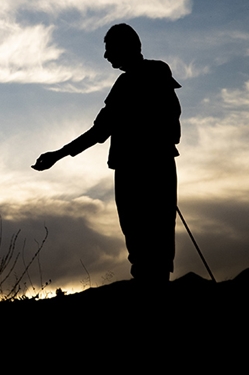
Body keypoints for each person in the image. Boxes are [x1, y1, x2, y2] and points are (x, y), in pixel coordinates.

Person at [32, 23, 181, 282]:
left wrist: (59, 154)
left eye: (110, 49)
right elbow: (102, 130)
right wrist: (59, 154)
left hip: (141, 169)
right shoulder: (152, 74)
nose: (106, 56)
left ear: (126, 47)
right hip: (151, 166)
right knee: (148, 238)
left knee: (149, 237)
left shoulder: (140, 78)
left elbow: (100, 131)